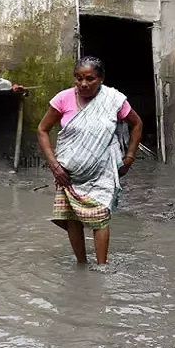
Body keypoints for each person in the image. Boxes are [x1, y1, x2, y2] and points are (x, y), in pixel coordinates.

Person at [36, 56, 143, 266]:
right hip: (67, 175)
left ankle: (102, 268)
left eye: (89, 79)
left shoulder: (113, 99)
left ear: (101, 79)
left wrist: (129, 157)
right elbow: (42, 130)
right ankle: (81, 264)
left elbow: (136, 124)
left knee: (100, 217)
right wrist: (54, 166)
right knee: (72, 218)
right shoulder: (63, 99)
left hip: (101, 173)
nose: (83, 84)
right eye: (78, 78)